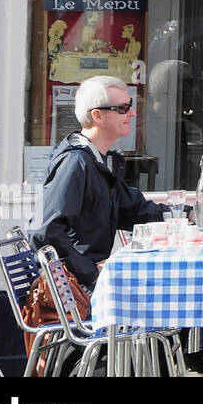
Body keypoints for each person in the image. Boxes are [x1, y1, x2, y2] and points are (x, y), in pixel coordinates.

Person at [30, 75, 168, 289]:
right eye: (122, 108)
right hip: (78, 290)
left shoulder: (98, 159)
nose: (132, 113)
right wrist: (90, 272)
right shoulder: (76, 161)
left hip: (88, 281)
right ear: (97, 116)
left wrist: (184, 214)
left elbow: (131, 210)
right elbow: (44, 230)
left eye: (130, 106)